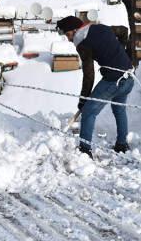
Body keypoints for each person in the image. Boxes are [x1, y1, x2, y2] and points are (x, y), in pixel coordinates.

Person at [56, 16, 134, 159]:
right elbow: (123, 31)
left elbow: (89, 74)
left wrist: (83, 100)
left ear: (75, 30)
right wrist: (120, 52)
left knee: (89, 112)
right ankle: (122, 144)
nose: (68, 39)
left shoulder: (82, 42)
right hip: (129, 77)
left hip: (114, 81)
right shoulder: (101, 27)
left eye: (68, 35)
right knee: (119, 109)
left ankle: (84, 151)